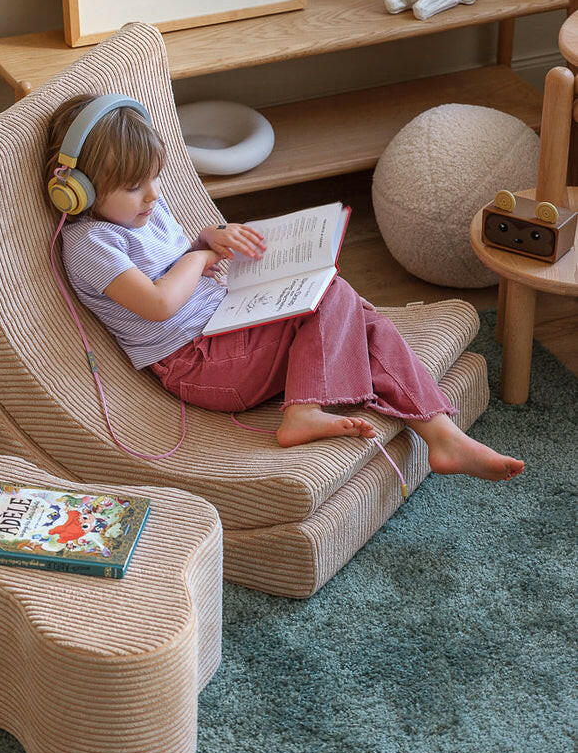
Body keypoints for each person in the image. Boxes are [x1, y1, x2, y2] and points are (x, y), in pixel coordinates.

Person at [45, 94, 524, 482]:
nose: (152, 194)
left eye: (154, 178)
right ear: (78, 190)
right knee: (332, 296)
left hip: (227, 327)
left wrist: (209, 237)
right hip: (198, 362)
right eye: (134, 186)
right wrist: (199, 257)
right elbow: (158, 302)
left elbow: (175, 252)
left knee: (354, 311)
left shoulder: (143, 205)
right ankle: (301, 413)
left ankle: (440, 434)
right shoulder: (89, 243)